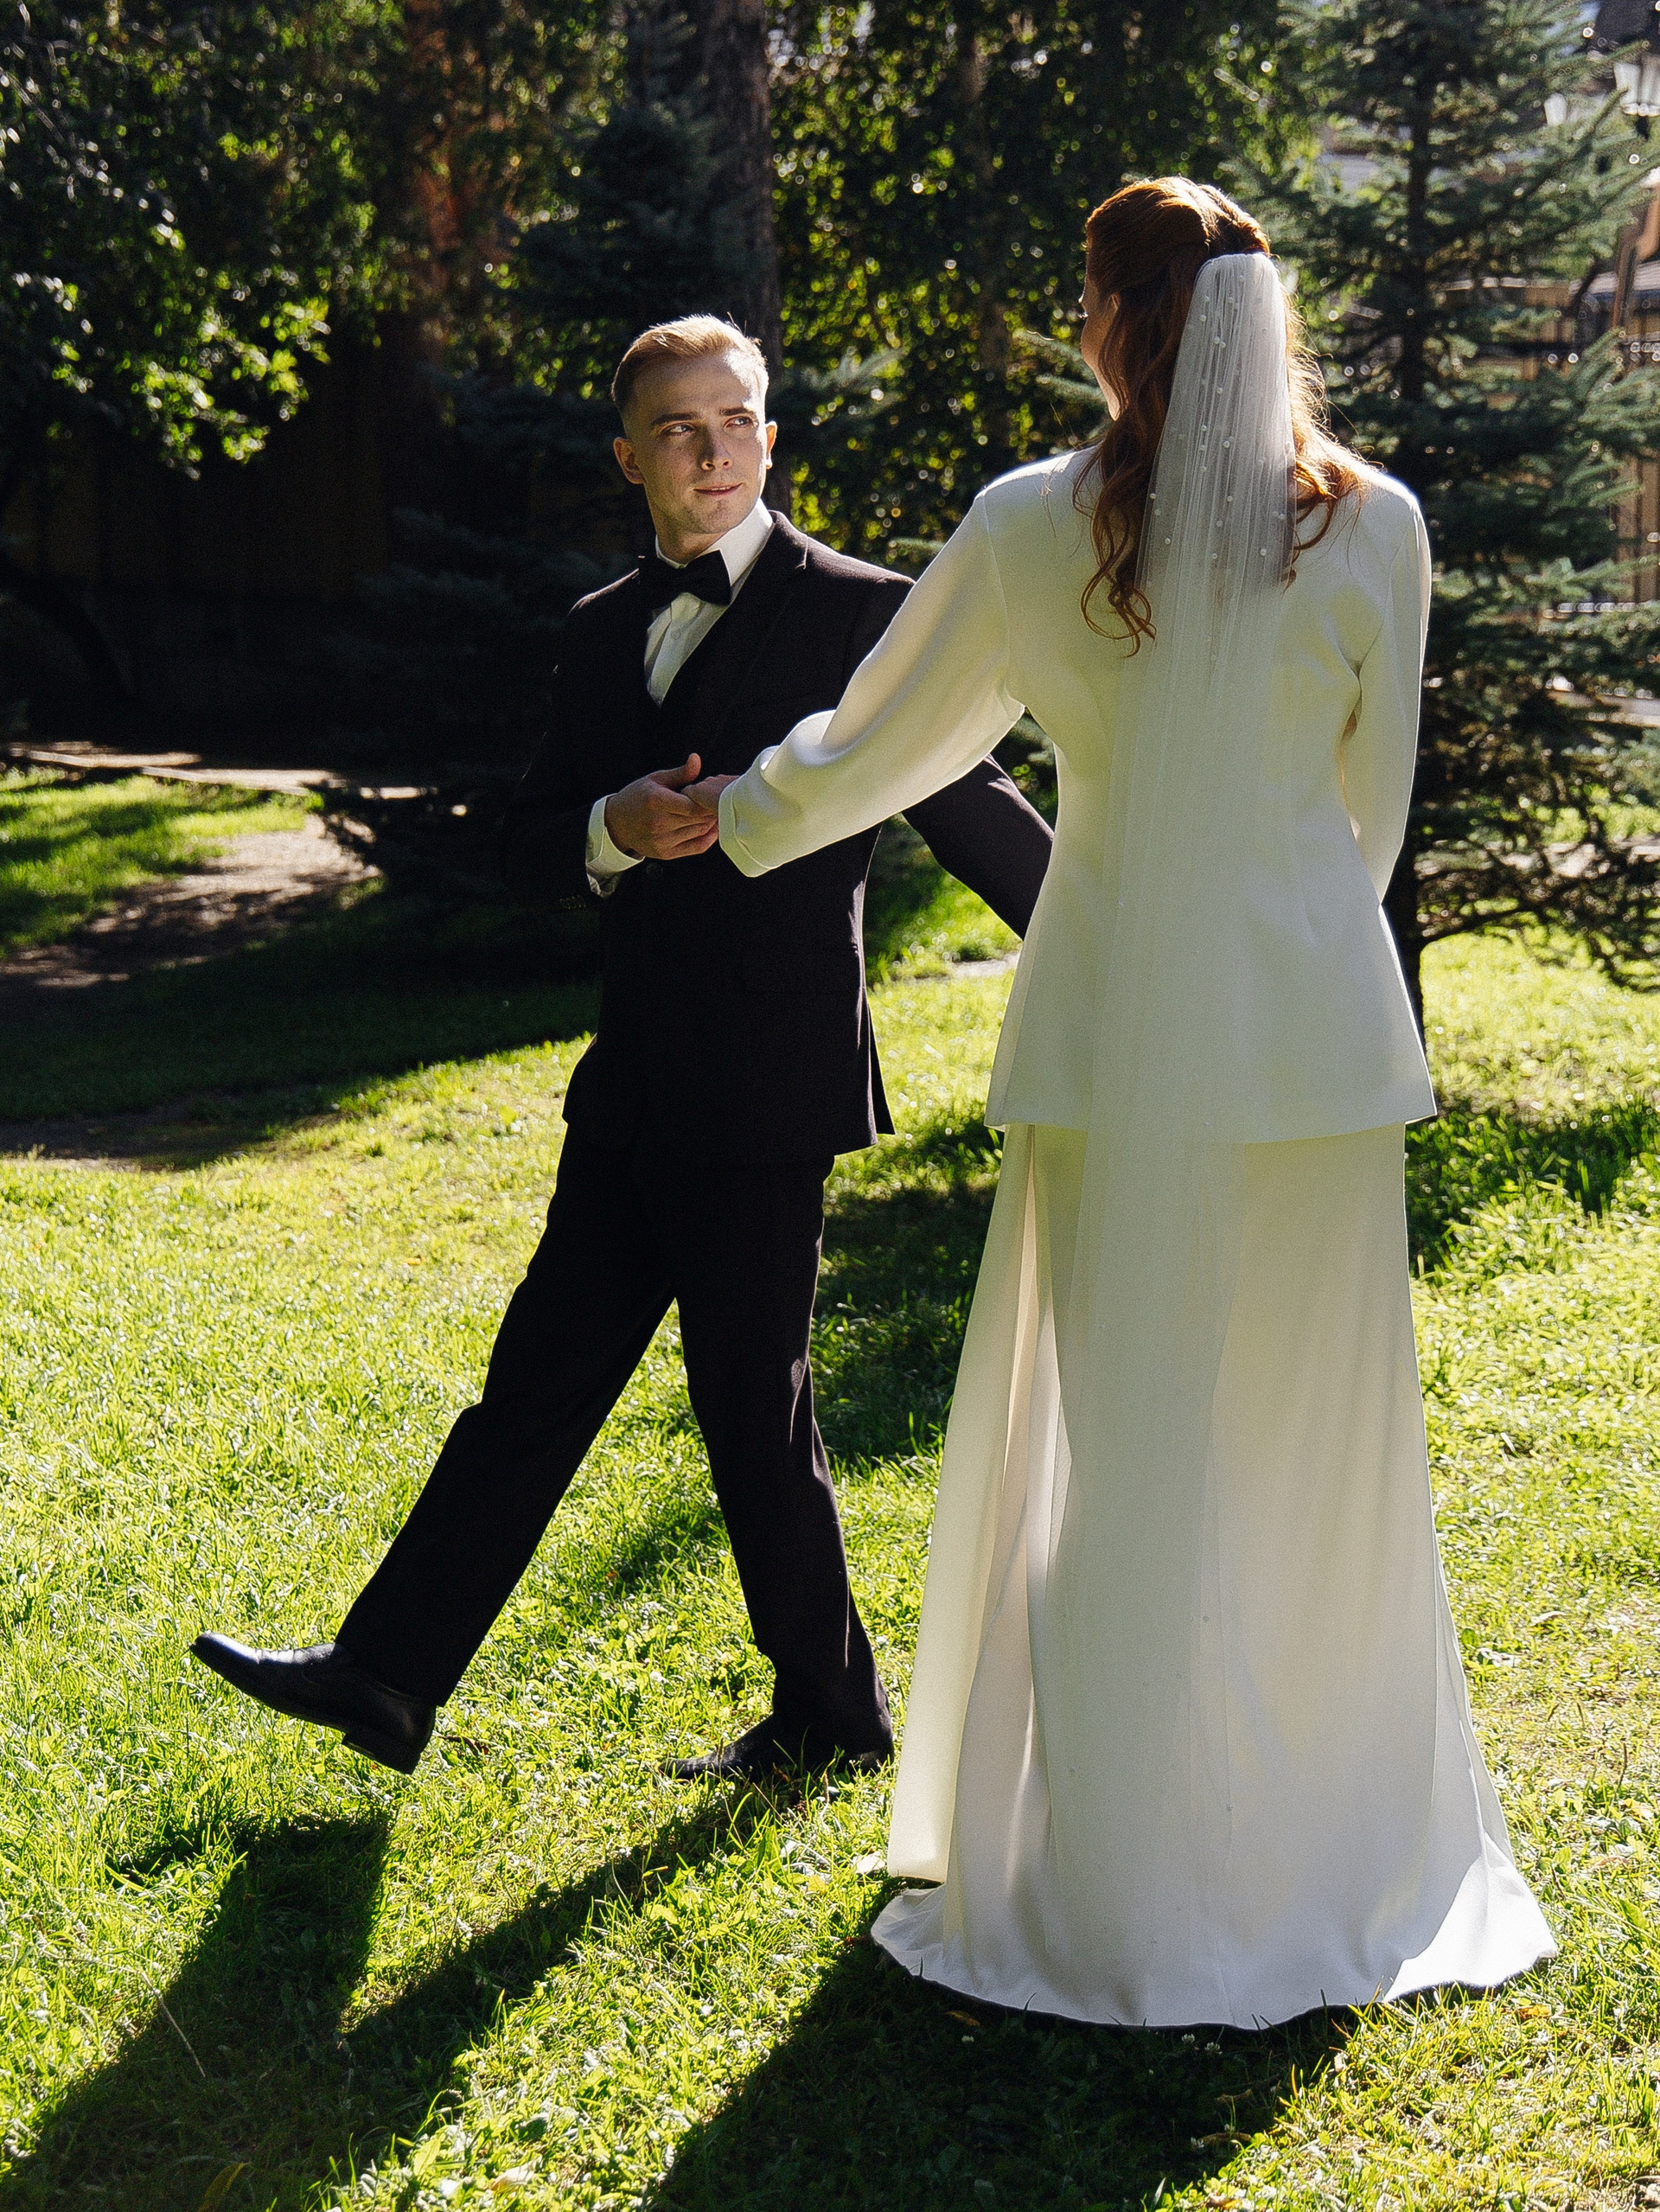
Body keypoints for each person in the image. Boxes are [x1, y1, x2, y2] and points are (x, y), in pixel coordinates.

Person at [702, 182, 1555, 2026]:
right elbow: (1376, 819)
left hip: (1103, 1036)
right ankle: (1314, 1850)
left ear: (1107, 319)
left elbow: (882, 742)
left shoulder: (1029, 523)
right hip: (1311, 1052)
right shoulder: (1378, 526)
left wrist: (740, 810)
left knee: (1118, 1443)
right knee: (1311, 1448)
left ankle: (1117, 1868)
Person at [191, 314, 1052, 1782]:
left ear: (771, 436)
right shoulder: (599, 629)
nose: (713, 452)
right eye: (677, 430)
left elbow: (973, 810)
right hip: (636, 1082)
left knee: (752, 1404)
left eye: (736, 422)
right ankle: (388, 1678)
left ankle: (833, 1717)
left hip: (771, 1085)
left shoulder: (867, 613)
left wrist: (1108, 943)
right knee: (536, 1381)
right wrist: (611, 828)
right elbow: (528, 837)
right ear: (629, 457)